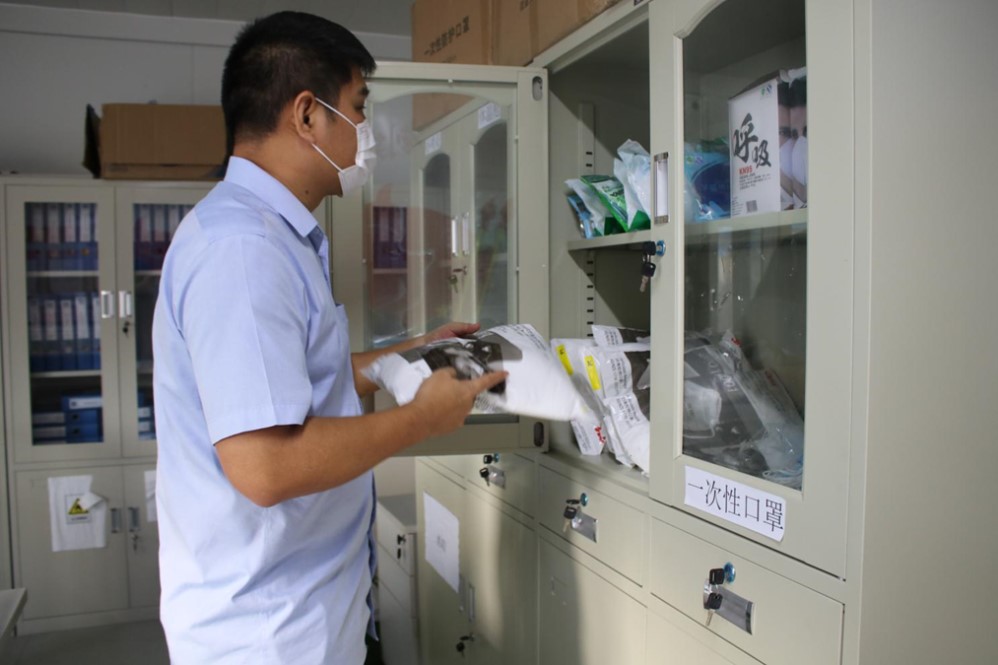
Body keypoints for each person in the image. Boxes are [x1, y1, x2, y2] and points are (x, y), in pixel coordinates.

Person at [151, 11, 507, 664]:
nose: (364, 132)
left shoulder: (269, 236)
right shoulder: (243, 250)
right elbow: (265, 466)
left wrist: (410, 354)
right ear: (308, 115)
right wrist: (421, 419)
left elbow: (297, 381)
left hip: (302, 612)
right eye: (359, 107)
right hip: (267, 635)